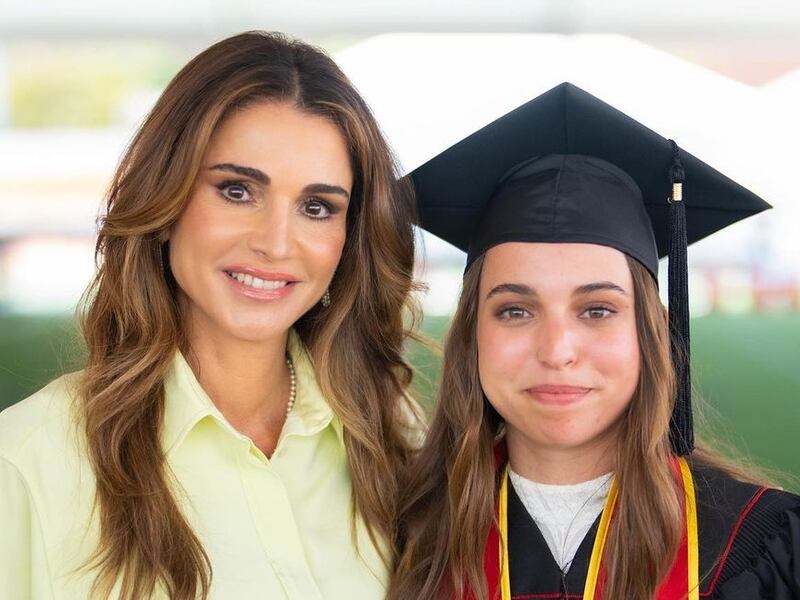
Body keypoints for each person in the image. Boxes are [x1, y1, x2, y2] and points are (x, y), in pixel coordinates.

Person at [0, 31, 422, 600]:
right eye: (237, 191)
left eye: (316, 207)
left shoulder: (393, 436)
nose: (276, 244)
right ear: (166, 196)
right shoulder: (26, 464)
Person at [391, 83, 800, 600]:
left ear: (653, 332)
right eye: (515, 310)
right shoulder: (398, 538)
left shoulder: (761, 546)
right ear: (471, 334)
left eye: (597, 310)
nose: (558, 350)